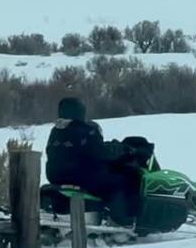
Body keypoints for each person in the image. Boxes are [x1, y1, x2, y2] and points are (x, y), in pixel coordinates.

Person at [45, 97, 142, 227]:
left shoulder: (57, 130)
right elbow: (99, 152)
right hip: (82, 176)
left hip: (56, 176)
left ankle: (100, 212)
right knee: (120, 181)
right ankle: (121, 221)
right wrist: (121, 150)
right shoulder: (85, 129)